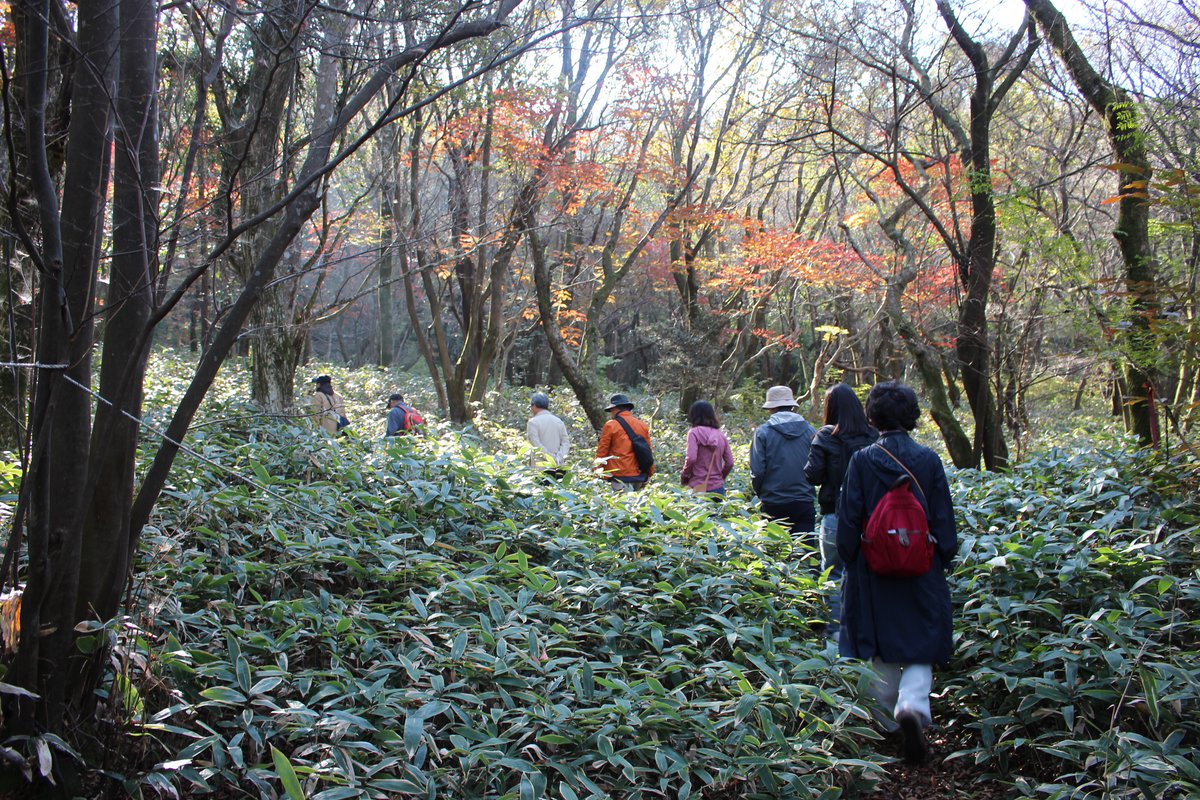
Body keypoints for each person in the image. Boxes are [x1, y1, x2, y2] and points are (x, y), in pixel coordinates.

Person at [836, 380, 957, 764]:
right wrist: (943, 557)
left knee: (880, 642)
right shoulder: (928, 459)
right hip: (921, 565)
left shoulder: (862, 459)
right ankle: (913, 707)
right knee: (922, 638)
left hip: (874, 568)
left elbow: (849, 516)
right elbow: (943, 519)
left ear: (872, 417)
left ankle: (885, 722)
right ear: (912, 415)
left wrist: (851, 559)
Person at [804, 384, 878, 636]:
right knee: (865, 573)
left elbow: (812, 476)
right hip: (871, 518)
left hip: (835, 514)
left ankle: (836, 634)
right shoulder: (873, 435)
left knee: (833, 573)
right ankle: (864, 630)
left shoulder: (825, 435)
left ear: (830, 407)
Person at [749, 385, 818, 547]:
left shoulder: (763, 432)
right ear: (792, 406)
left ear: (771, 408)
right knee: (806, 555)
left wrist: (762, 493)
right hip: (804, 500)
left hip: (773, 502)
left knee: (774, 557)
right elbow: (816, 466)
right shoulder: (810, 431)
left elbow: (757, 471)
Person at [594, 393, 654, 490]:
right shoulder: (642, 425)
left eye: (611, 410)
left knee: (619, 505)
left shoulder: (611, 425)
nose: (611, 413)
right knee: (635, 505)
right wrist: (649, 474)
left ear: (615, 409)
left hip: (618, 477)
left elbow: (602, 451)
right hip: (638, 476)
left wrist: (597, 470)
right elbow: (648, 451)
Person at [680, 400, 733, 495]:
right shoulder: (721, 436)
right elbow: (730, 463)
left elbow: (691, 458)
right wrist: (720, 477)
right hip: (718, 489)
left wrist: (685, 475)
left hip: (697, 487)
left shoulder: (694, 433)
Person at [526, 392, 570, 477]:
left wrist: (550, 457)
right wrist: (559, 457)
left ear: (534, 405)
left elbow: (536, 444)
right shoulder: (558, 421)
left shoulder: (533, 423)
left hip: (541, 467)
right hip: (559, 466)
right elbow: (566, 443)